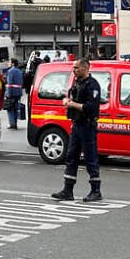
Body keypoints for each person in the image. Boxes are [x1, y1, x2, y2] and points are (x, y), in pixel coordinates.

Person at [51, 58, 103, 202]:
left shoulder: (93, 85)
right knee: (71, 157)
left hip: (87, 125)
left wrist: (72, 104)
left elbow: (91, 107)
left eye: (76, 68)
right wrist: (67, 102)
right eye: (73, 68)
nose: (74, 70)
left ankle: (95, 191)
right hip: (77, 124)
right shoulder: (77, 83)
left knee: (90, 158)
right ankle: (68, 191)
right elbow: (74, 99)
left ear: (86, 68)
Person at [5, 58, 23, 129]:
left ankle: (12, 123)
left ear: (12, 63)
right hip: (18, 92)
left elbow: (9, 83)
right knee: (15, 108)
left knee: (10, 108)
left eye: (9, 62)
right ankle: (15, 123)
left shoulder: (10, 71)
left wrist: (8, 94)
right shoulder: (19, 71)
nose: (8, 63)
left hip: (12, 92)